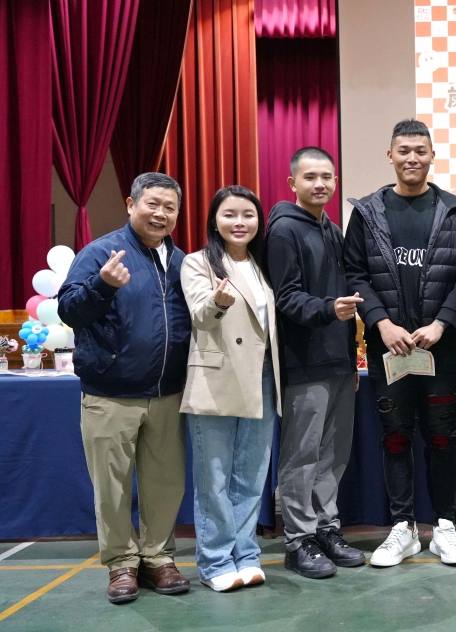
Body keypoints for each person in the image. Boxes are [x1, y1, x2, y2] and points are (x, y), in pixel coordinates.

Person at [345, 119, 456, 567]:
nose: (412, 158)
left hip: (442, 349)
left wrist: (442, 323)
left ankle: (445, 527)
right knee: (396, 436)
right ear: (390, 156)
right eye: (404, 150)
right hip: (389, 350)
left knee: (443, 436)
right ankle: (403, 527)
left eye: (421, 151)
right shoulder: (367, 212)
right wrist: (380, 323)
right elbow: (354, 272)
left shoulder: (455, 211)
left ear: (432, 156)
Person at [57, 173, 191, 604]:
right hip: (109, 393)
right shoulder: (101, 253)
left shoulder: (182, 262)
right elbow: (68, 310)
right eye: (152, 204)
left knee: (165, 482)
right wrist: (102, 285)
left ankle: (158, 558)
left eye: (170, 207)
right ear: (131, 204)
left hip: (168, 393)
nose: (160, 213)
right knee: (112, 488)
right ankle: (121, 564)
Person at [265, 147, 365, 579]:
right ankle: (298, 540)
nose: (320, 184)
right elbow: (285, 297)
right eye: (310, 177)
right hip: (304, 362)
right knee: (301, 455)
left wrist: (350, 361)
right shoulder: (284, 229)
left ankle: (326, 529)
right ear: (293, 183)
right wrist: (328, 310)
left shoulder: (331, 229)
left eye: (327, 176)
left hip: (338, 362)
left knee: (332, 456)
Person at [180, 186, 281, 592]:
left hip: (263, 377)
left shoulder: (263, 263)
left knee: (251, 475)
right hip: (217, 377)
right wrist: (218, 302)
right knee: (214, 477)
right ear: (214, 221)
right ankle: (215, 561)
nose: (240, 222)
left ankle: (247, 555)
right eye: (229, 214)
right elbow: (200, 316)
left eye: (248, 215)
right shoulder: (197, 262)